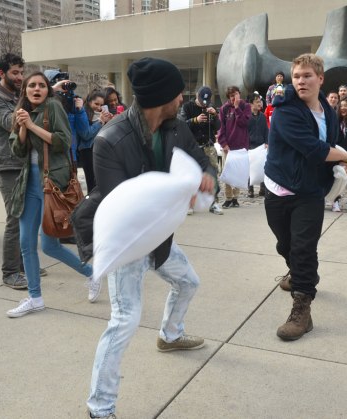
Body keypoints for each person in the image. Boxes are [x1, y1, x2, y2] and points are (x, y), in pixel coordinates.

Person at [86, 57, 215, 419]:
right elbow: (123, 206)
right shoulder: (110, 141)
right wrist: (178, 192)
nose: (183, 98)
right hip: (128, 244)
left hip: (160, 238)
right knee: (125, 320)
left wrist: (205, 178)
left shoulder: (176, 127)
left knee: (189, 282)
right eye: (178, 93)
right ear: (162, 96)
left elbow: (202, 160)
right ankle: (100, 407)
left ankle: (170, 335)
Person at [264, 53, 347, 341]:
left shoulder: (328, 112)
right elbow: (312, 148)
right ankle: (297, 272)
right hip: (279, 188)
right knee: (286, 244)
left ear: (320, 78)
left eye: (307, 76)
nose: (301, 81)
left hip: (310, 192)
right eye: (296, 76)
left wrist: (338, 162)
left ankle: (302, 310)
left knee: (304, 248)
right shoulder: (285, 110)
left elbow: (325, 148)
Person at [6, 72, 97, 318]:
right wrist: (23, 127)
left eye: (41, 85)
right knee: (27, 243)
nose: (37, 89)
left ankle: (92, 274)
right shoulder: (21, 113)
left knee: (49, 246)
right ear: (25, 90)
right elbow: (17, 150)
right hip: (29, 184)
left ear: (48, 90)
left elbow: (64, 141)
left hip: (52, 184)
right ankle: (35, 298)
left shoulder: (53, 108)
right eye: (31, 85)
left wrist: (32, 125)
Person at [0, 53, 30, 288]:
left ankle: (24, 264)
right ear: (2, 74)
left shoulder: (16, 96)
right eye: (15, 73)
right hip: (7, 165)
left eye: (22, 72)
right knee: (14, 217)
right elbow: (11, 122)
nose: (20, 77)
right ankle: (10, 272)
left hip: (23, 162)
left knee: (27, 216)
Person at [180, 85, 223, 214]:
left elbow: (219, 126)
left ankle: (213, 202)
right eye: (202, 99)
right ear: (196, 95)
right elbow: (181, 125)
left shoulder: (211, 108)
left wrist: (215, 115)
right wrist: (195, 120)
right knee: (191, 175)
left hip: (208, 145)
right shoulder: (187, 107)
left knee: (213, 173)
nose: (204, 103)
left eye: (207, 100)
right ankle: (189, 204)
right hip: (192, 146)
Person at [218, 85, 251, 208]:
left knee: (238, 172)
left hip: (241, 146)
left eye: (236, 94)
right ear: (228, 97)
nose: (234, 98)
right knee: (227, 173)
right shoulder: (224, 109)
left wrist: (237, 108)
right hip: (228, 147)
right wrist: (223, 143)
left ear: (239, 94)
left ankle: (235, 198)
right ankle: (228, 197)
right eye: (232, 96)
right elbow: (221, 128)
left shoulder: (246, 106)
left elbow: (244, 123)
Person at [76, 90, 113, 193]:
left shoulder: (97, 114)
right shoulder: (82, 112)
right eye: (96, 104)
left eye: (101, 105)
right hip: (87, 151)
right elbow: (86, 134)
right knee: (92, 183)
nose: (99, 107)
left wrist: (108, 122)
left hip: (99, 149)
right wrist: (100, 121)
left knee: (100, 182)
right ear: (89, 102)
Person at [247, 91, 268, 197]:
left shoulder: (263, 116)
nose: (259, 104)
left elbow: (266, 130)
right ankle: (250, 189)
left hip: (261, 145)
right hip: (249, 146)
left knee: (262, 167)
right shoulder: (246, 117)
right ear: (251, 103)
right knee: (250, 168)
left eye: (260, 101)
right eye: (257, 102)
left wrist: (267, 142)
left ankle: (263, 188)